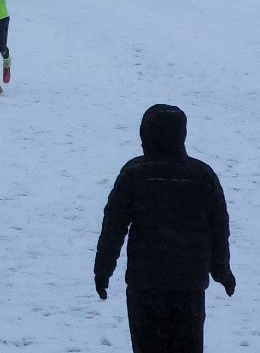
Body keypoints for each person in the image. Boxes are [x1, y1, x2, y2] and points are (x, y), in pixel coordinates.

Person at [94, 104, 237, 353]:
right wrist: (221, 270)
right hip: (188, 285)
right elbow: (218, 229)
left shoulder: (135, 173)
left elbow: (113, 226)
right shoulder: (202, 175)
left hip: (145, 284)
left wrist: (103, 269)